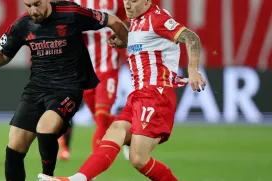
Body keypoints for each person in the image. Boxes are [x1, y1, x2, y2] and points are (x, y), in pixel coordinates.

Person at [38, 0, 206, 180]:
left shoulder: (157, 19)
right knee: (114, 131)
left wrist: (193, 70)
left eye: (133, 1)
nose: (127, 5)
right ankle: (76, 179)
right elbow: (143, 39)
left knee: (138, 158)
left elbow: (191, 37)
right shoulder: (136, 20)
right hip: (138, 96)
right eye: (126, 0)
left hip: (156, 96)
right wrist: (123, 39)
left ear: (147, 1)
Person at [0, 0, 129, 180]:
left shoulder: (71, 12)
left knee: (45, 127)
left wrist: (125, 42)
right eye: (28, 6)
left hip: (68, 87)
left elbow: (111, 19)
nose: (33, 10)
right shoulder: (22, 24)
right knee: (14, 144)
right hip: (36, 88)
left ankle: (47, 177)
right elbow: (2, 56)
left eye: (37, 4)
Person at [57, 0, 129, 161]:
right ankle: (128, 133)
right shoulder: (74, 3)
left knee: (102, 117)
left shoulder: (116, 2)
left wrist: (123, 37)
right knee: (98, 117)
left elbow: (128, 21)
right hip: (84, 69)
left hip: (109, 66)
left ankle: (91, 172)